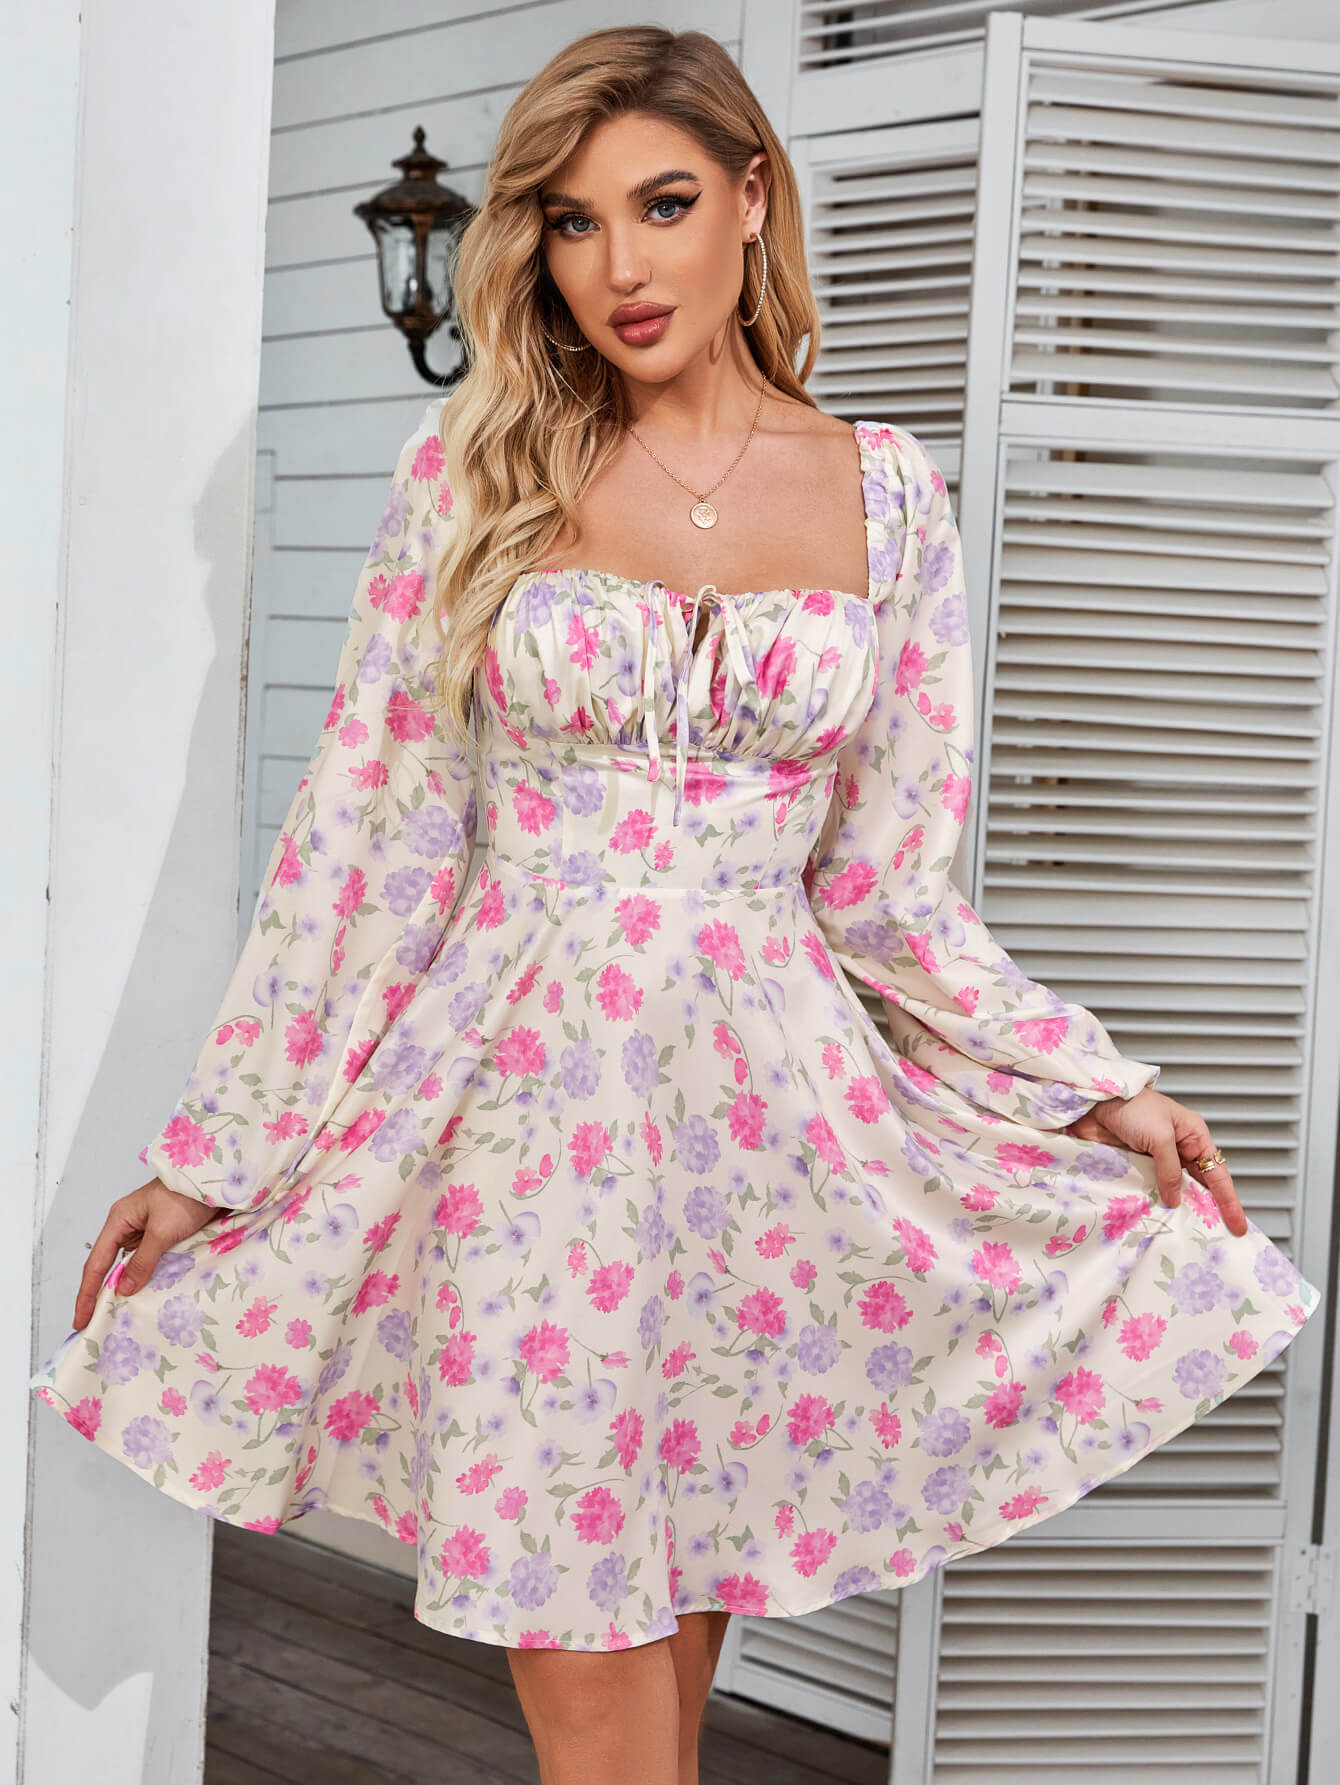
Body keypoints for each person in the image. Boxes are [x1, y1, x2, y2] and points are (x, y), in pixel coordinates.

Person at [31, 24, 1321, 1785]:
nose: (619, 267)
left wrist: (1090, 1085)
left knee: (671, 1660)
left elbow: (887, 890)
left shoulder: (886, 495)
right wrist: (218, 1157)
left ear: (752, 200)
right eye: (572, 223)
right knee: (596, 1692)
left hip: (769, 1140)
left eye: (661, 205)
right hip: (528, 1128)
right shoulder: (470, 477)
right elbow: (371, 845)